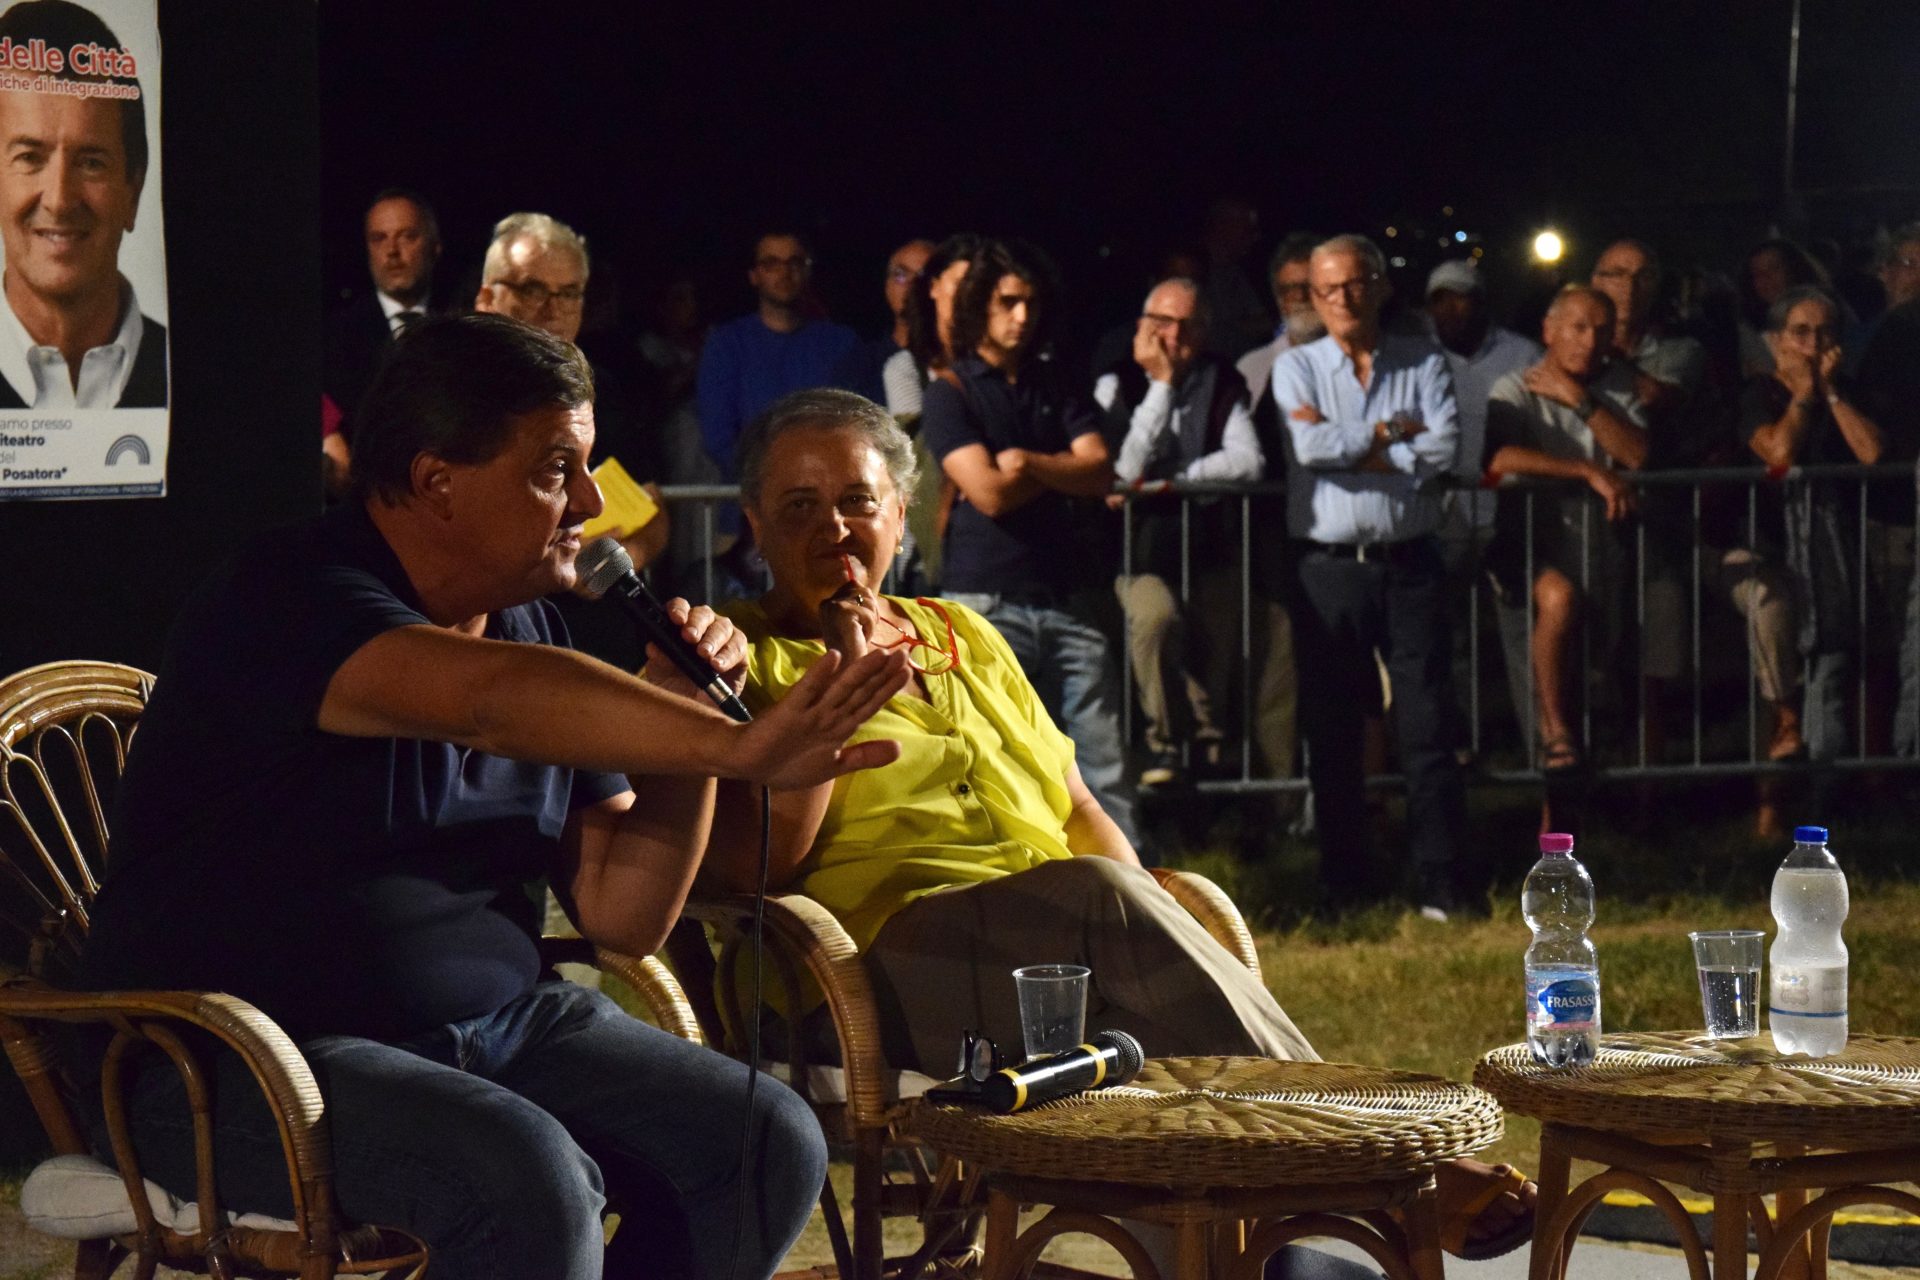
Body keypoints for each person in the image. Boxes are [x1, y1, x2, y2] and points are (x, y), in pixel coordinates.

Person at [77, 315, 914, 1280]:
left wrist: (691, 729)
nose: (592, 502)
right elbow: (482, 704)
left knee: (763, 1140)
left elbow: (623, 914)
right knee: (528, 1179)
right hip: (237, 1058)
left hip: (499, 1029)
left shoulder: (532, 629)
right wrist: (735, 742)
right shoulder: (290, 595)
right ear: (438, 481)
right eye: (558, 469)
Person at [709, 388, 1535, 1270]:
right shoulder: (739, 657)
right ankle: (1382, 1161)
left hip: (1050, 953)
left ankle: (1253, 1256)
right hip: (868, 978)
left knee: (1135, 965)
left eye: (856, 500)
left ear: (900, 514)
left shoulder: (963, 636)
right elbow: (753, 869)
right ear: (755, 525)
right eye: (800, 507)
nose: (834, 527)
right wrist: (832, 692)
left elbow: (1079, 810)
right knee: (1101, 899)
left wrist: (1148, 922)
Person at [918, 237, 1142, 849]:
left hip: (1065, 594)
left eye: (1030, 303)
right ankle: (1022, 880)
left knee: (1103, 759)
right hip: (986, 600)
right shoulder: (950, 391)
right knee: (996, 760)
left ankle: (1133, 889)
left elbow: (1100, 469)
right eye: (1008, 302)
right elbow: (988, 491)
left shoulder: (1055, 383)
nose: (1022, 316)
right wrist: (1058, 468)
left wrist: (1029, 463)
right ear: (979, 308)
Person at [1271, 235, 1465, 917]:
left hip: (1409, 561)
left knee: (1428, 726)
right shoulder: (1296, 367)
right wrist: (1391, 434)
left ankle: (1442, 881)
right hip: (1329, 569)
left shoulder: (1424, 359)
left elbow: (1444, 448)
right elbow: (1311, 447)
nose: (1343, 299)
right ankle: (1344, 882)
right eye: (1327, 289)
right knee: (1334, 732)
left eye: (1355, 284)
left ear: (1380, 286)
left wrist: (1356, 445)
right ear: (1312, 296)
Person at [1591, 238, 1803, 813]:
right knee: (1622, 660)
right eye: (1616, 274)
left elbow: (1655, 399)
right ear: (1595, 281)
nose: (1629, 288)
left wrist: (1585, 354)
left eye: (1642, 275)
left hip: (1684, 528)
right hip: (1604, 530)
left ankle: (1675, 791)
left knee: (1667, 652)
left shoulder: (1680, 350)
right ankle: (1619, 791)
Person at [1095, 277, 1292, 790]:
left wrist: (1173, 480)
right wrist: (1161, 387)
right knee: (1156, 620)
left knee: (1215, 662)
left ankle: (1205, 772)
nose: (1175, 336)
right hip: (1137, 552)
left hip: (1209, 548)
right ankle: (1165, 743)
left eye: (1189, 325)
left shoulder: (1220, 379)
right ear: (1143, 326)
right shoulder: (1116, 384)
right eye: (1163, 323)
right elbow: (1121, 470)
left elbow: (1247, 461)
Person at [474, 211, 668, 669]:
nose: (552, 308)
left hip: (603, 643)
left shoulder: (606, 393)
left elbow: (655, 512)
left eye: (568, 293)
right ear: (486, 297)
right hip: (497, 642)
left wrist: (619, 559)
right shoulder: (456, 395)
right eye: (532, 289)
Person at [1483, 286, 1647, 780]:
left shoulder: (1619, 386)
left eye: (1601, 330)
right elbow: (1499, 458)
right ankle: (1555, 733)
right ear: (1549, 331)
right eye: (1577, 328)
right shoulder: (1516, 386)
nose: (1589, 341)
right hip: (1531, 546)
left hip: (1603, 547)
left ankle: (1603, 792)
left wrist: (1579, 401)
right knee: (1558, 600)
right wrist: (1586, 470)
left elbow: (1637, 454)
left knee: (1601, 674)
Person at [1743, 286, 1885, 766]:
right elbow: (1779, 453)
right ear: (1777, 340)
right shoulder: (1757, 393)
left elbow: (1871, 451)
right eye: (1801, 333)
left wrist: (1831, 393)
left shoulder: (1851, 390)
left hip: (1838, 551)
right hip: (1769, 545)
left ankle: (1830, 778)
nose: (1813, 345)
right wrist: (1804, 394)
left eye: (1825, 333)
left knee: (1836, 668)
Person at [0, 0, 165, 411]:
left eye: (91, 163)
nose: (59, 200)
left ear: (133, 189)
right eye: (29, 158)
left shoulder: (208, 373)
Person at [1424, 259, 1542, 768]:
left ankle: (1542, 749)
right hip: (1445, 516)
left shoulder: (1523, 354)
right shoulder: (1417, 357)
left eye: (1462, 298)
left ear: (1481, 301)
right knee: (1449, 638)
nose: (1452, 310)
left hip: (1509, 512)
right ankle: (1461, 746)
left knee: (1523, 634)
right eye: (1441, 300)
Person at [698, 230, 860, 482]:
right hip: (752, 496)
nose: (784, 273)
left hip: (826, 492)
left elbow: (857, 425)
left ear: (807, 270)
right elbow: (718, 437)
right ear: (754, 275)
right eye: (771, 264)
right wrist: (776, 482)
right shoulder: (726, 345)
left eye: (794, 262)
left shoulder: (841, 343)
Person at [324, 189, 441, 496]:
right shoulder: (332, 338)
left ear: (435, 245)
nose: (392, 251)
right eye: (379, 238)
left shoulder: (464, 324)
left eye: (407, 236)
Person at [834, 237, 934, 402]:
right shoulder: (861, 366)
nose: (911, 285)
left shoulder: (957, 363)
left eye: (923, 276)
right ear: (887, 286)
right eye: (901, 275)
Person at [1237, 232, 1327, 415]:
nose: (1301, 297)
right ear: (1279, 300)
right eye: (1290, 289)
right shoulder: (1253, 368)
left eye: (1310, 286)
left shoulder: (1362, 362)